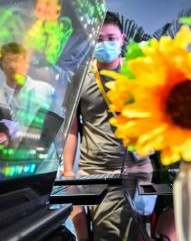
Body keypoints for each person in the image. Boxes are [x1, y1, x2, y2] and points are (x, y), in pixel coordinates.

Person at [63, 12, 152, 178]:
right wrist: (68, 171)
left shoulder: (137, 71)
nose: (105, 44)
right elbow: (71, 129)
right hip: (94, 170)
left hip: (138, 169)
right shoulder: (79, 76)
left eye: (111, 38)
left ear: (122, 40)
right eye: (99, 39)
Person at [0, 42, 56, 145]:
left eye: (17, 60)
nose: (12, 65)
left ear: (26, 64)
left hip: (43, 152)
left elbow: (58, 130)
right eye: (7, 61)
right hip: (11, 152)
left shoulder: (45, 90)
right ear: (1, 66)